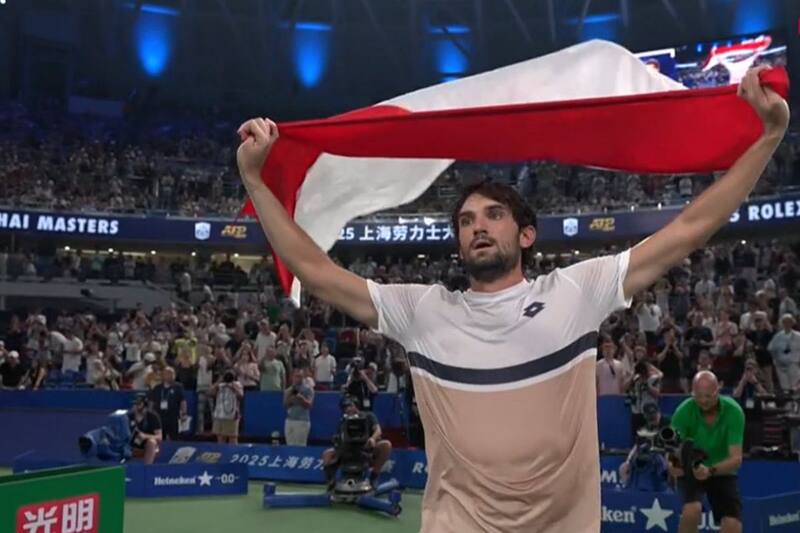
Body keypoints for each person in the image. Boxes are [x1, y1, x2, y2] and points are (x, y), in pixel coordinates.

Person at [235, 66, 788, 532]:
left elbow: (691, 227)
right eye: (467, 220)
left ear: (526, 234)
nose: (477, 227)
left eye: (493, 215)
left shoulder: (577, 292)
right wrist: (258, 182)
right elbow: (314, 268)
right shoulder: (423, 311)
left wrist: (766, 138)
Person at [670, 371, 745, 533]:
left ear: (718, 391)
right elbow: (670, 451)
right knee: (692, 510)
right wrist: (674, 465)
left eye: (708, 396)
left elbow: (736, 459)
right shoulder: (683, 412)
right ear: (692, 393)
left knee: (732, 523)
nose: (703, 401)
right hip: (692, 467)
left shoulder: (734, 411)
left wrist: (710, 470)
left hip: (721, 469)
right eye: (699, 396)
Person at [321, 396, 392, 489]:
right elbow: (339, 439)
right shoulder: (343, 421)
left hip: (366, 448)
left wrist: (372, 439)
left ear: (356, 406)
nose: (348, 409)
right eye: (345, 407)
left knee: (386, 445)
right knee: (327, 454)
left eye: (350, 406)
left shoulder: (369, 416)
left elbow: (378, 430)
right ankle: (331, 481)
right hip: (347, 449)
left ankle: (374, 477)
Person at [148, 367, 187, 441]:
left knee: (174, 437)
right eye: (168, 374)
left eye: (173, 374)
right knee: (160, 436)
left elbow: (183, 401)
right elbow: (151, 402)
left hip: (173, 417)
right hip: (159, 417)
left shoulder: (178, 387)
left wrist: (184, 413)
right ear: (163, 375)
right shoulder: (157, 388)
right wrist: (150, 414)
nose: (171, 376)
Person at [211, 370, 244, 444]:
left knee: (232, 437)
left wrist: (233, 387)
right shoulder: (220, 385)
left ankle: (232, 453)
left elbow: (241, 395)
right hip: (219, 415)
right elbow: (210, 393)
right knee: (220, 437)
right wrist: (218, 382)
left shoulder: (237, 384)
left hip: (231, 415)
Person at [128, 393, 162, 464]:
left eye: (138, 404)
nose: (136, 406)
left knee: (151, 442)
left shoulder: (153, 417)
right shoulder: (129, 416)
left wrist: (145, 436)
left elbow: (159, 437)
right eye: (135, 404)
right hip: (132, 444)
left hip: (146, 445)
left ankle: (147, 468)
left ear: (145, 404)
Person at [284, 368, 314, 446]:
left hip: (302, 421)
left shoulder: (308, 389)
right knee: (289, 445)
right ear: (292, 377)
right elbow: (285, 404)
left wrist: (301, 398)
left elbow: (309, 405)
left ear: (303, 377)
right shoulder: (288, 390)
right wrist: (291, 398)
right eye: (296, 376)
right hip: (289, 420)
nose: (297, 378)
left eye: (300, 376)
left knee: (300, 446)